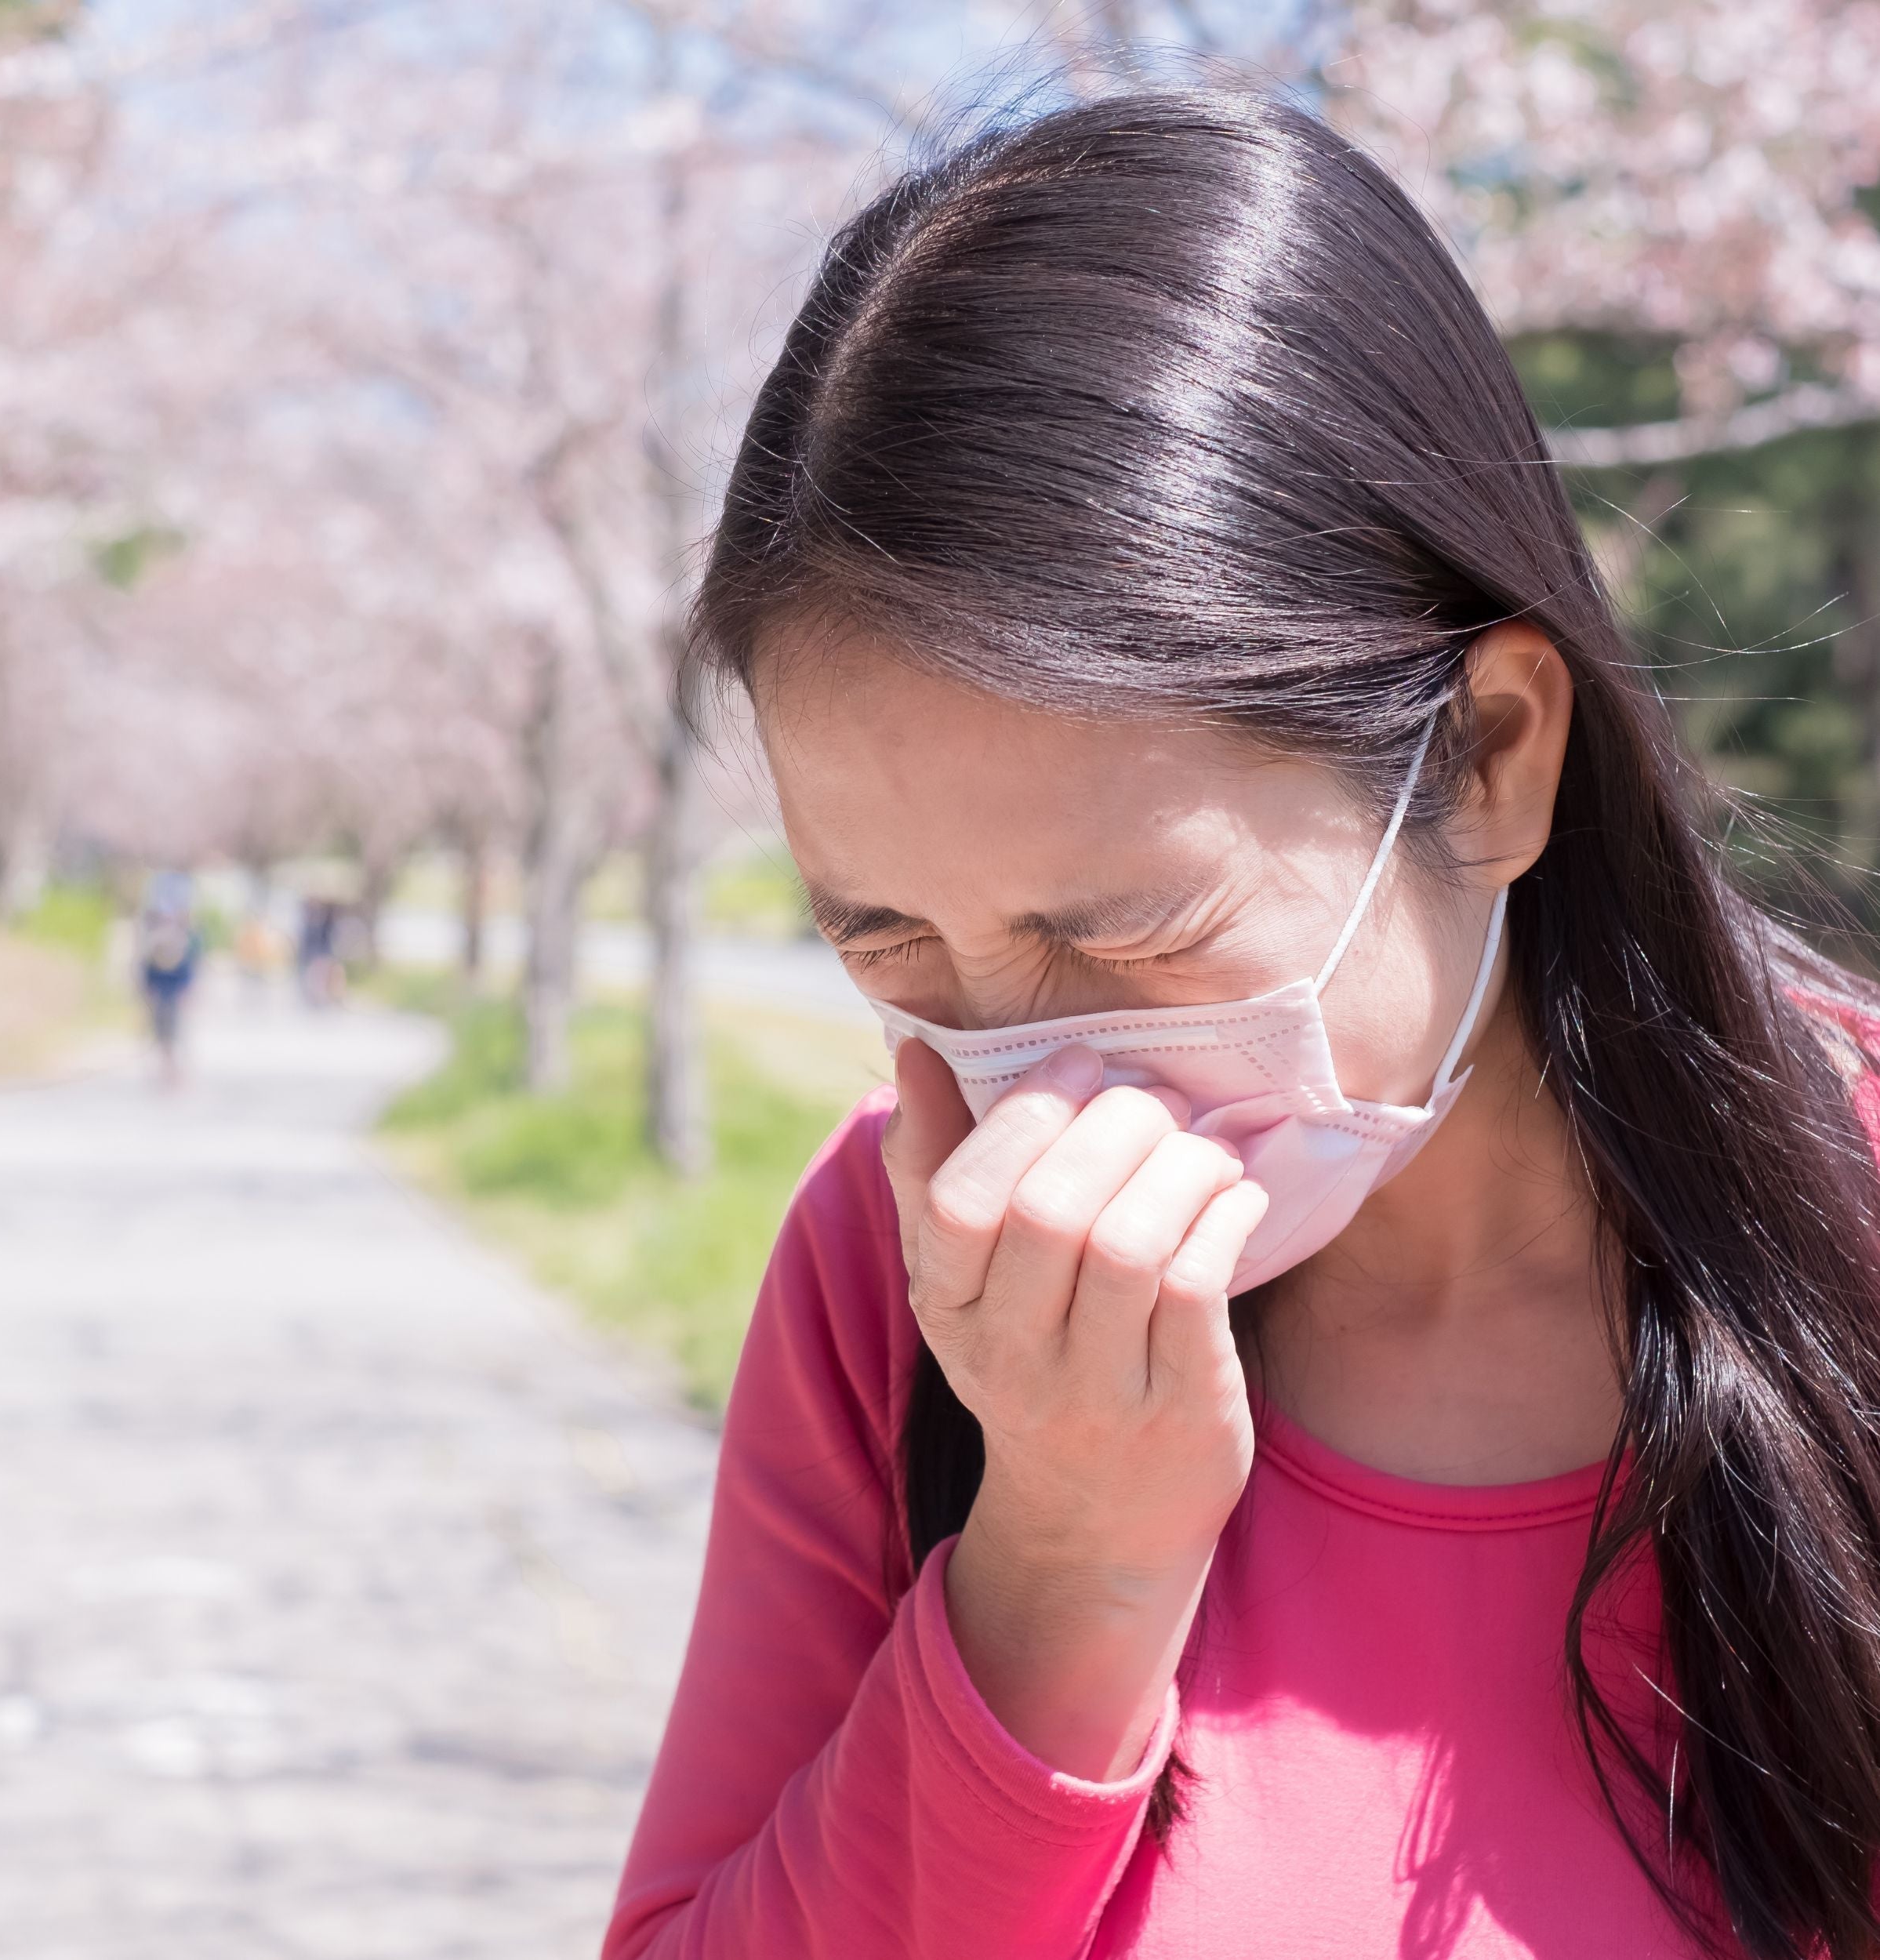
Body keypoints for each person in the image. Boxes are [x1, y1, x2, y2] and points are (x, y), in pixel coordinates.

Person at [601, 89, 1880, 1960]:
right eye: (890, 948)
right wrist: (1062, 1569)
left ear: (1496, 761)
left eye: (1131, 937)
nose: (1030, 1094)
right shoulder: (891, 1268)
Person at [135, 870, 201, 1088]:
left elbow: (186, 971)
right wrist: (147, 990)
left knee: (176, 1034)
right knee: (161, 1035)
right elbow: (148, 971)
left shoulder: (182, 941)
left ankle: (175, 1071)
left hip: (173, 995)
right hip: (160, 995)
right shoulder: (153, 943)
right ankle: (167, 1070)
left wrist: (187, 990)